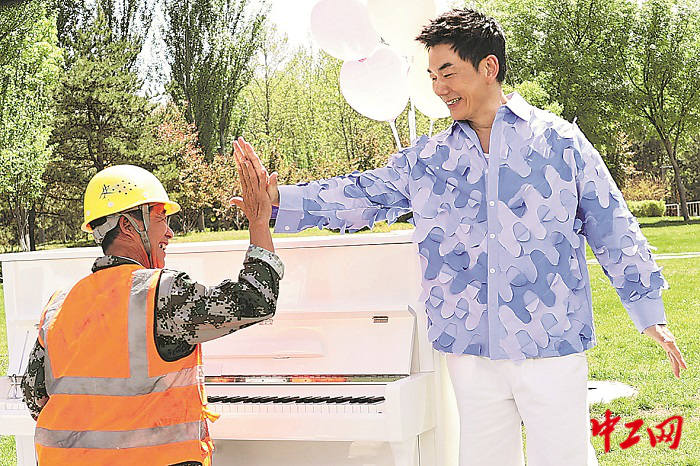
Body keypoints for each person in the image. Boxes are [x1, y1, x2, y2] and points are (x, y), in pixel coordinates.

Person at [233, 8, 687, 466]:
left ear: (489, 67)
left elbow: (613, 225)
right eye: (432, 76)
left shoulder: (560, 143)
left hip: (550, 341)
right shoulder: (429, 159)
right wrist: (280, 199)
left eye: (447, 73)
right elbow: (363, 194)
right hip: (469, 347)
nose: (438, 88)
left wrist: (648, 310)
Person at [21, 150, 280, 465]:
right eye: (160, 218)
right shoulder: (160, 294)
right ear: (129, 225)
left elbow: (34, 396)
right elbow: (255, 299)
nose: (169, 232)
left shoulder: (59, 305)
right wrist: (259, 222)